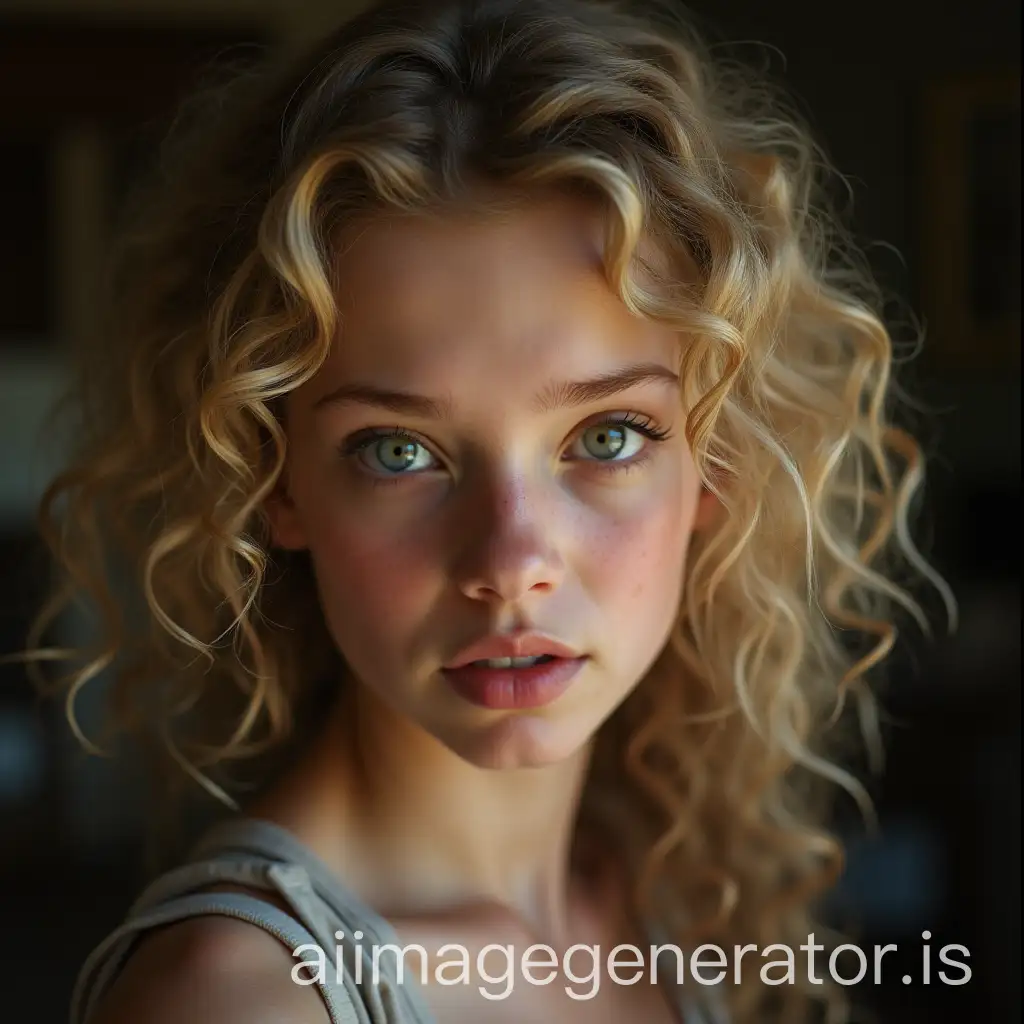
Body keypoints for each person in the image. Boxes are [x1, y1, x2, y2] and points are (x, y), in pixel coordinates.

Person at [19, 0, 952, 1021]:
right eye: (399, 450)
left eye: (606, 437)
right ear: (273, 480)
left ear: (713, 461)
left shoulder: (673, 902)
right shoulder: (245, 1002)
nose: (511, 560)